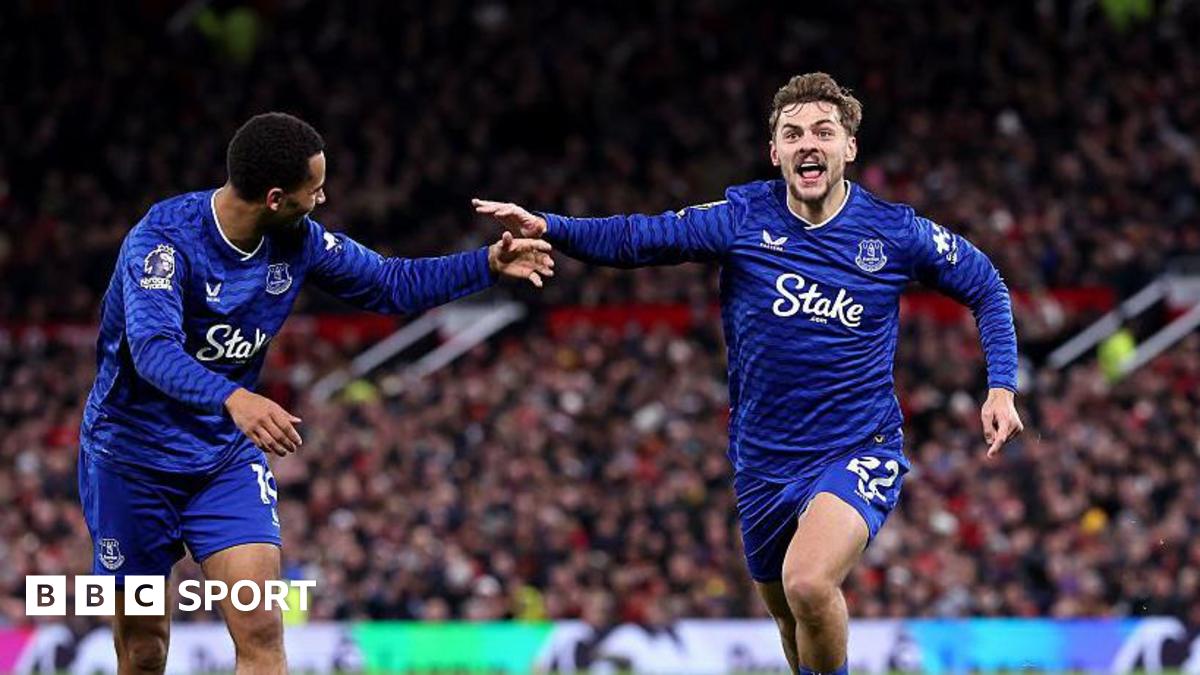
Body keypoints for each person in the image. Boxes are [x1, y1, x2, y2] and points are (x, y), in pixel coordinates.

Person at [474, 72, 1024, 675]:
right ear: (775, 152)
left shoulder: (893, 232)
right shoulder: (741, 218)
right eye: (793, 134)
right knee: (789, 617)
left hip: (857, 447)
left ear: (849, 148)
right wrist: (552, 227)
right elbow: (640, 237)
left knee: (809, 584)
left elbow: (985, 284)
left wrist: (1001, 385)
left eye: (823, 132)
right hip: (762, 459)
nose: (807, 144)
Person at [79, 112, 554, 674]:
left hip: (220, 458)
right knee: (143, 647)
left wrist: (487, 264)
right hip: (130, 460)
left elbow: (388, 283)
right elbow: (152, 352)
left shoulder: (297, 239)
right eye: (315, 188)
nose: (323, 198)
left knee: (261, 625)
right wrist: (235, 398)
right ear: (276, 197)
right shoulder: (162, 244)